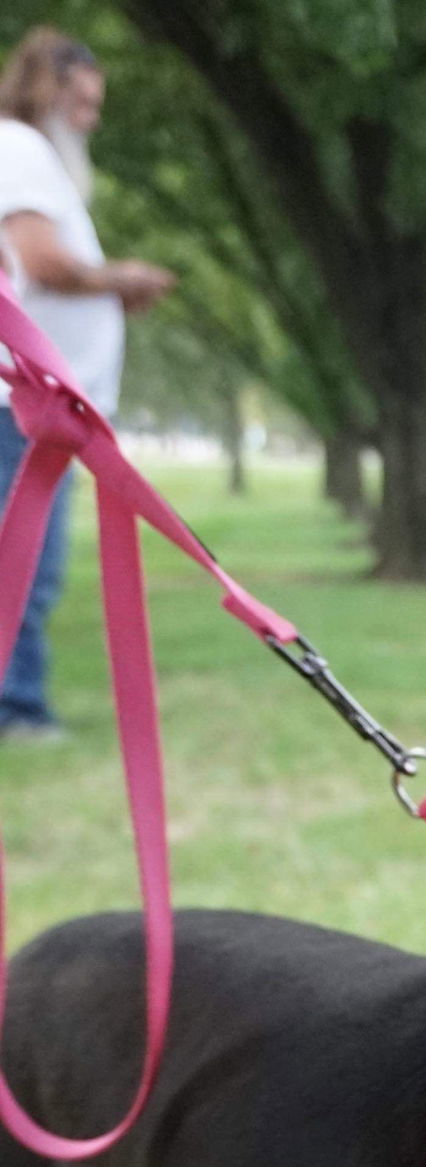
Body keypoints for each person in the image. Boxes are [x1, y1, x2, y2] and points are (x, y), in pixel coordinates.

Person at [0, 26, 173, 738]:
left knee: (31, 564)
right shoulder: (21, 149)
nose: (92, 120)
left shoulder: (31, 158)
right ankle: (18, 710)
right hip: (23, 409)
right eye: (83, 103)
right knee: (23, 566)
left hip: (43, 408)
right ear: (47, 90)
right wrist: (118, 278)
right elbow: (42, 263)